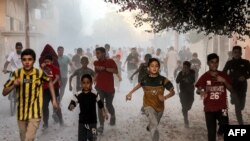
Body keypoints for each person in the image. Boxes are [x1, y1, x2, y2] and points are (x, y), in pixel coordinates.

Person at [2, 48, 59, 141]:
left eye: (30, 59)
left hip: (34, 113)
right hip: (21, 114)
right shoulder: (16, 73)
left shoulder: (39, 73)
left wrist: (54, 100)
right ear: (21, 61)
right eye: (24, 59)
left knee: (29, 138)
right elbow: (4, 92)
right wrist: (14, 85)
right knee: (24, 138)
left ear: (34, 61)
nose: (27, 62)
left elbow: (50, 82)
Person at [126, 58, 175, 141]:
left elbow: (172, 92)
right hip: (148, 105)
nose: (154, 68)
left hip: (160, 108)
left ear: (159, 68)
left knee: (154, 123)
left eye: (156, 66)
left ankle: (150, 126)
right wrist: (130, 93)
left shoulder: (163, 80)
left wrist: (165, 97)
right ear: (148, 68)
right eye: (152, 66)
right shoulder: (145, 79)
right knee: (155, 125)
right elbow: (139, 85)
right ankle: (155, 137)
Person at [195, 53, 233, 141]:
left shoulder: (223, 75)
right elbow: (198, 89)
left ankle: (220, 133)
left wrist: (224, 81)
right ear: (208, 63)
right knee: (211, 135)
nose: (214, 64)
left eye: (216, 62)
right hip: (209, 109)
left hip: (223, 108)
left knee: (225, 124)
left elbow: (231, 89)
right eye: (212, 62)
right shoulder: (204, 77)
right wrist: (201, 91)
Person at [68, 74, 108, 141]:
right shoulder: (78, 94)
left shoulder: (95, 94)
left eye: (87, 83)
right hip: (82, 122)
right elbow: (72, 103)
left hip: (93, 122)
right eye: (83, 83)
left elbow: (100, 104)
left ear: (91, 83)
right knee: (81, 139)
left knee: (93, 138)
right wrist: (71, 106)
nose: (85, 85)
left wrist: (104, 112)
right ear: (81, 83)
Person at [223, 46, 250, 125]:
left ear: (241, 53)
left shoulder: (246, 62)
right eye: (235, 52)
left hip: (243, 87)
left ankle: (234, 100)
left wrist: (245, 77)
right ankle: (241, 123)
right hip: (233, 87)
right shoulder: (229, 63)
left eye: (238, 52)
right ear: (232, 53)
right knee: (237, 107)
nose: (237, 54)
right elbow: (224, 73)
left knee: (241, 106)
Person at [94, 47, 118, 134]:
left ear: (104, 53)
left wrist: (105, 69)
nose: (96, 55)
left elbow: (115, 71)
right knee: (100, 106)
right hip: (99, 87)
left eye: (98, 53)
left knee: (108, 105)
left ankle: (113, 115)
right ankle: (101, 125)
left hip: (110, 88)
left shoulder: (110, 61)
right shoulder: (96, 63)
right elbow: (96, 73)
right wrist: (93, 80)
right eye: (96, 53)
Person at [41, 55, 64, 130]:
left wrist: (52, 84)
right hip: (45, 90)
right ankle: (45, 124)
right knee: (44, 106)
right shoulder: (43, 69)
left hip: (54, 89)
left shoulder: (55, 68)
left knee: (56, 106)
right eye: (45, 62)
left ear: (52, 62)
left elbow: (57, 77)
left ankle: (61, 122)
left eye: (48, 62)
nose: (47, 63)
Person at [2, 42, 23, 116]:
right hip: (12, 72)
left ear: (22, 48)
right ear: (16, 48)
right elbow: (7, 62)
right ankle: (10, 93)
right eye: (17, 47)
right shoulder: (12, 54)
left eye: (20, 48)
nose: (19, 49)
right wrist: (5, 68)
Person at [176, 61, 195, 128]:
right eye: (183, 67)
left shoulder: (192, 72)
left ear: (189, 68)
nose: (184, 68)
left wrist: (187, 77)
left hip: (190, 92)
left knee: (188, 107)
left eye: (186, 67)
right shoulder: (181, 73)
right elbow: (177, 81)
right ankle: (186, 120)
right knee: (184, 107)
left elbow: (192, 80)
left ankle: (186, 111)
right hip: (183, 92)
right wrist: (182, 75)